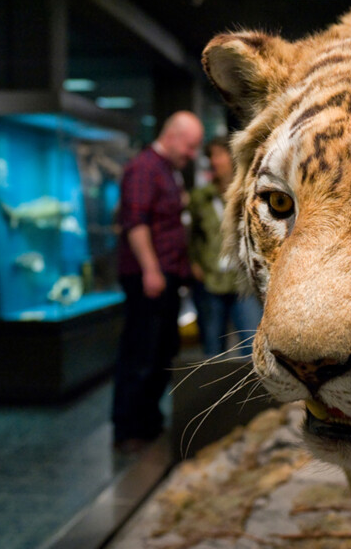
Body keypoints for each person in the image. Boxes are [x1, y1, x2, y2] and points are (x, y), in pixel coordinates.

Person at [112, 111, 204, 454]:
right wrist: (151, 269)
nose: (192, 154)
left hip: (166, 279)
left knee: (159, 351)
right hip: (149, 278)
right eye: (191, 146)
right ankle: (129, 429)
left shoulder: (166, 170)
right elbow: (134, 222)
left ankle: (147, 423)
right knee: (140, 353)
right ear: (173, 135)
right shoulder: (144, 168)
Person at [189, 136, 262, 357]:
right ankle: (215, 393)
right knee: (213, 348)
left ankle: (247, 392)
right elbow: (192, 235)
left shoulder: (250, 193)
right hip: (212, 281)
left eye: (218, 155)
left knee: (252, 345)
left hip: (243, 283)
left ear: (231, 157)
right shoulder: (200, 197)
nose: (214, 161)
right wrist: (194, 263)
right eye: (210, 156)